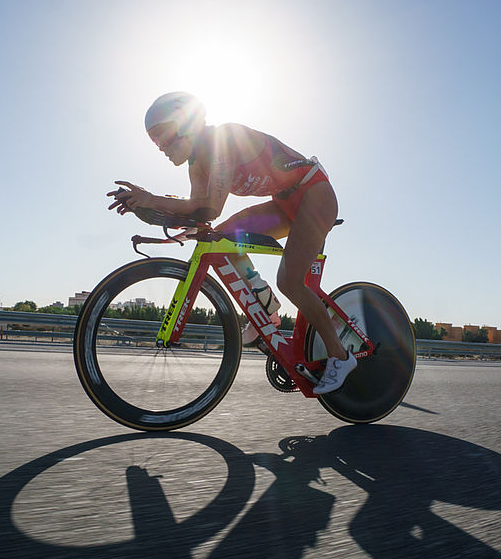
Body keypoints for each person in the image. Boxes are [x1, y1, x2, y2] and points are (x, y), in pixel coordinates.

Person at [108, 91, 357, 395]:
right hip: (284, 202)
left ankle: (341, 357)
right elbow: (202, 212)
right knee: (222, 237)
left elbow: (211, 204)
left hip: (314, 193)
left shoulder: (221, 141)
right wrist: (146, 206)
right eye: (154, 142)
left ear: (186, 125)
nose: (160, 147)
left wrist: (152, 198)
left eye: (162, 136)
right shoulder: (197, 163)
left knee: (291, 281)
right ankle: (266, 306)